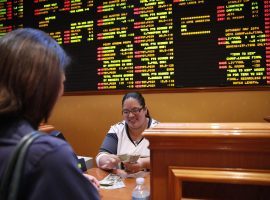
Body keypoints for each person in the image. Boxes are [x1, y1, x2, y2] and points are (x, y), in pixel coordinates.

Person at [0, 28, 100, 199]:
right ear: (45, 87)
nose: (61, 92)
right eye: (60, 82)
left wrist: (64, 178)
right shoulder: (47, 154)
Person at [96, 92, 158, 174]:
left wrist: (143, 163)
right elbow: (100, 156)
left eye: (135, 110)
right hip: (124, 183)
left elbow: (167, 160)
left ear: (145, 110)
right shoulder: (117, 130)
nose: (131, 115)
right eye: (126, 112)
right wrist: (105, 160)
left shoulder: (158, 130)